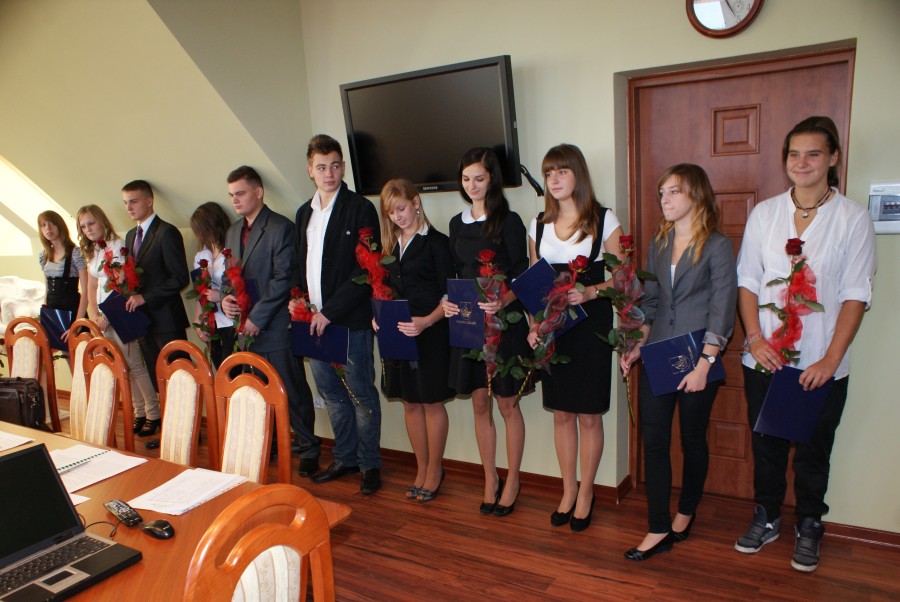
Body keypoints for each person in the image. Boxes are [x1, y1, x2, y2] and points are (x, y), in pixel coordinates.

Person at [734, 116, 876, 572]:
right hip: (766, 360)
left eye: (813, 153)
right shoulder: (765, 214)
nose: (802, 162)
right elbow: (747, 281)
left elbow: (855, 294)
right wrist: (754, 339)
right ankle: (767, 516)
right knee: (767, 447)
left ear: (833, 158)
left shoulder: (852, 219)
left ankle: (810, 523)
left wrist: (831, 360)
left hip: (821, 364)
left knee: (814, 452)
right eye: (794, 154)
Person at [620, 164, 737, 560]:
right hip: (660, 355)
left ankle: (685, 511)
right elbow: (652, 302)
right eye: (662, 193)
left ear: (696, 195)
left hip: (699, 357)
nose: (665, 199)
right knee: (654, 442)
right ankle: (658, 527)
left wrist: (704, 365)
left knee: (691, 439)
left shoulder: (717, 246)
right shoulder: (658, 243)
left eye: (674, 192)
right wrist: (638, 344)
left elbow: (722, 309)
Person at [525, 144, 624, 532]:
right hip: (555, 329)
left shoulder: (603, 219)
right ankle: (568, 491)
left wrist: (591, 291)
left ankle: (587, 494)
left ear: (578, 175)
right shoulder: (537, 224)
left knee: (589, 415)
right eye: (549, 173)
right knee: (562, 412)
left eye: (562, 171)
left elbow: (624, 277)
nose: (554, 179)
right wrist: (534, 326)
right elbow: (533, 285)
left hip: (591, 326)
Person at [442, 147, 530, 516]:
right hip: (468, 325)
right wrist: (448, 301)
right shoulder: (456, 223)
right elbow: (455, 273)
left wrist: (504, 300)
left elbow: (523, 273)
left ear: (492, 178)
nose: (472, 185)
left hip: (503, 323)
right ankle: (489, 478)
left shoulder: (509, 221)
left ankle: (513, 480)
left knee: (507, 404)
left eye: (479, 178)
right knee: (480, 403)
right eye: (466, 179)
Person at [293, 134, 382, 495]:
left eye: (334, 166)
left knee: (361, 395)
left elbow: (366, 272)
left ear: (343, 167)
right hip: (312, 323)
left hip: (349, 322)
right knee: (331, 394)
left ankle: (370, 464)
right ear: (310, 170)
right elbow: (299, 264)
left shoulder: (360, 208)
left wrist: (329, 312)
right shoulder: (304, 213)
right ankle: (345, 458)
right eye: (321, 167)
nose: (328, 173)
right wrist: (297, 300)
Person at [220, 166, 320, 475]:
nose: (235, 200)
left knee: (291, 389)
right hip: (245, 328)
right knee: (256, 390)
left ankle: (308, 448)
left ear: (259, 192)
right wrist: (225, 299)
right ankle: (270, 443)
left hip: (275, 325)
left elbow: (282, 279)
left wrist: (258, 317)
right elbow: (229, 275)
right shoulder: (232, 231)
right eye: (231, 195)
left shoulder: (280, 227)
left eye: (241, 193)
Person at [376, 178, 454, 502]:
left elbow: (449, 295)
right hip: (399, 334)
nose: (398, 217)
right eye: (391, 212)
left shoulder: (437, 243)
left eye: (402, 208)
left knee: (432, 402)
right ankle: (421, 468)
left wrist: (427, 321)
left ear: (416, 203)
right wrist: (378, 315)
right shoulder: (389, 248)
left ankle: (435, 470)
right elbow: (383, 290)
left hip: (431, 332)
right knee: (410, 402)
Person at [76, 205, 160, 434]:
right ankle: (139, 411)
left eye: (91, 223)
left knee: (135, 365)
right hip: (102, 317)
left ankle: (153, 412)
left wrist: (107, 316)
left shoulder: (117, 245)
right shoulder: (94, 250)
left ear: (102, 221)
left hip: (119, 312)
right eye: (83, 226)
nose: (88, 229)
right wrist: (94, 315)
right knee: (122, 366)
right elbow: (92, 285)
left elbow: (122, 284)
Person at [122, 180, 190, 436]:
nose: (129, 207)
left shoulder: (167, 232)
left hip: (167, 319)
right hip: (143, 321)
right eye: (125, 203)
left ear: (149, 201)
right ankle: (171, 432)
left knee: (178, 376)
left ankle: (187, 431)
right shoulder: (131, 235)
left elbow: (179, 278)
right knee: (157, 377)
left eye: (134, 201)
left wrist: (146, 298)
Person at [188, 202, 234, 368]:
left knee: (232, 369)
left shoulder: (232, 250)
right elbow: (199, 290)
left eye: (203, 230)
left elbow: (240, 286)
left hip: (231, 320)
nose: (201, 236)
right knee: (219, 367)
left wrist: (220, 296)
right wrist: (199, 318)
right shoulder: (201, 255)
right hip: (212, 319)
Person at [37, 211, 88, 342]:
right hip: (53, 313)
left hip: (73, 312)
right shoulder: (44, 256)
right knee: (63, 351)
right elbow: (47, 288)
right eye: (43, 225)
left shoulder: (75, 253)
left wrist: (78, 323)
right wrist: (46, 314)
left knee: (79, 350)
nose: (48, 228)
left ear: (60, 225)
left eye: (52, 224)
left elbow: (86, 292)